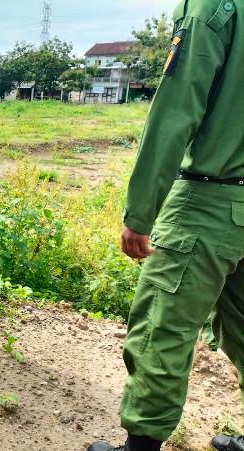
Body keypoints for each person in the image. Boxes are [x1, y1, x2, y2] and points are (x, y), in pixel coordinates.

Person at [89, 0, 244, 450]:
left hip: (210, 197)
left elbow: (178, 107)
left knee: (162, 328)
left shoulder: (213, 7)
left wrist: (141, 212)